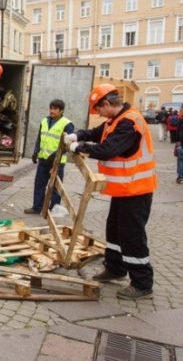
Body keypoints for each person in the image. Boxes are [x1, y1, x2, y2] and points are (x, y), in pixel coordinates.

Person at [64, 83, 156, 300]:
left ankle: (142, 283)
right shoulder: (115, 121)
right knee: (114, 230)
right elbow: (98, 132)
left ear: (106, 104)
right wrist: (77, 135)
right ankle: (115, 268)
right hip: (124, 190)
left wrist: (80, 148)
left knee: (132, 236)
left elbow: (108, 150)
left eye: (98, 109)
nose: (98, 114)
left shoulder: (129, 123)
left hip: (137, 190)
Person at [24, 99, 74, 215]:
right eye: (51, 108)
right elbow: (40, 138)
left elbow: (67, 144)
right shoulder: (44, 121)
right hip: (43, 160)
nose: (52, 111)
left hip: (57, 162)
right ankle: (37, 208)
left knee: (55, 188)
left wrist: (55, 155)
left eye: (55, 109)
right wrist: (35, 152)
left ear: (61, 111)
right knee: (39, 185)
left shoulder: (67, 124)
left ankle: (53, 210)